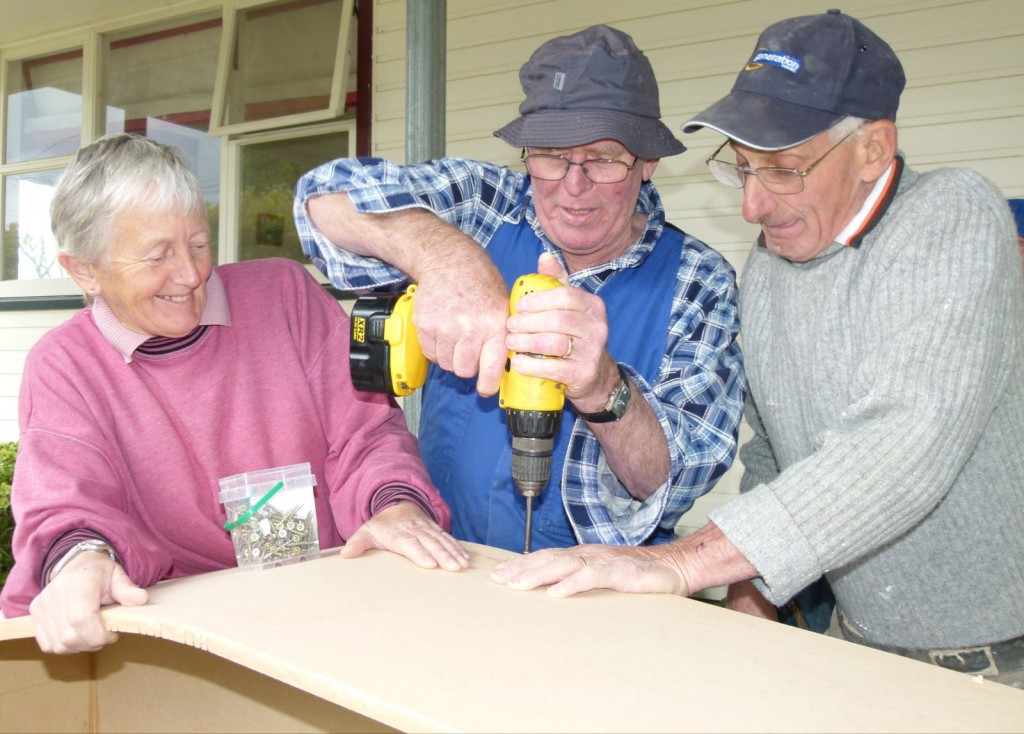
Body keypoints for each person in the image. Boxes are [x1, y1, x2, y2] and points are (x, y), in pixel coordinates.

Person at [490, 10, 1024, 688]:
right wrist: (751, 590)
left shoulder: (951, 216)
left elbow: (901, 443)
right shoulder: (771, 265)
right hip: (853, 642)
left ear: (872, 149)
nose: (752, 206)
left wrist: (681, 563)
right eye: (741, 168)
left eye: (782, 169)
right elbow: (776, 451)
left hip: (997, 665)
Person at [0, 133, 469, 654]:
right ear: (84, 270)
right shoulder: (65, 364)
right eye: (158, 255)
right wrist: (83, 561)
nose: (191, 273)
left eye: (199, 244)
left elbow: (367, 435)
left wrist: (393, 506)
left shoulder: (285, 295)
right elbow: (66, 502)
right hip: (178, 639)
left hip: (330, 613)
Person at [293, 25, 745, 554]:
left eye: (602, 157)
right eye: (551, 154)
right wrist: (448, 260)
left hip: (601, 590)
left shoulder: (698, 279)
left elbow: (670, 484)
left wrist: (603, 389)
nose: (573, 185)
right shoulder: (486, 207)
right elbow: (321, 198)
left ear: (648, 163)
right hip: (447, 558)